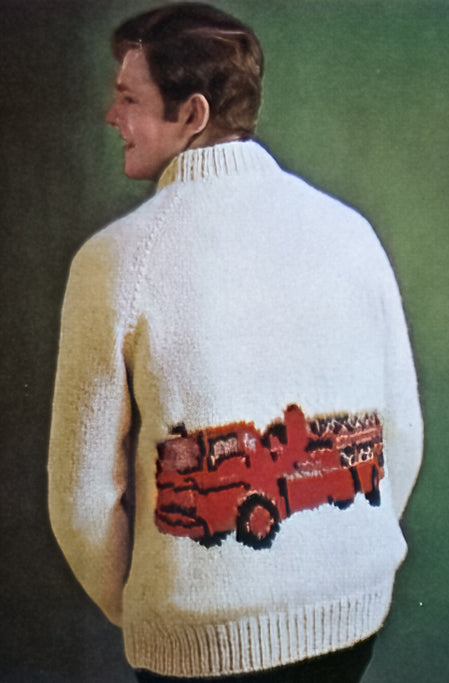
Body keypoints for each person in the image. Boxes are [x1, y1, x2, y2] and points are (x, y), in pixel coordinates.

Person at [48, 3, 423, 682]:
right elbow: (400, 430)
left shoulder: (115, 262)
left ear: (191, 115)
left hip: (200, 644)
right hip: (354, 612)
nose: (111, 116)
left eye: (129, 99)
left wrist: (147, 612)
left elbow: (80, 501)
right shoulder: (351, 232)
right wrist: (342, 562)